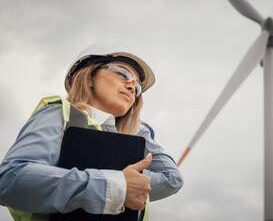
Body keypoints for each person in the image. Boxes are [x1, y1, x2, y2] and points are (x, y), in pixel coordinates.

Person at [0, 42, 184, 220]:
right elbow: (10, 179)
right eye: (122, 73)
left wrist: (135, 125)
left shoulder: (124, 144)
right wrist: (112, 186)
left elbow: (172, 179)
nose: (131, 86)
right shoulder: (60, 115)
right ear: (89, 77)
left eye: (137, 87)